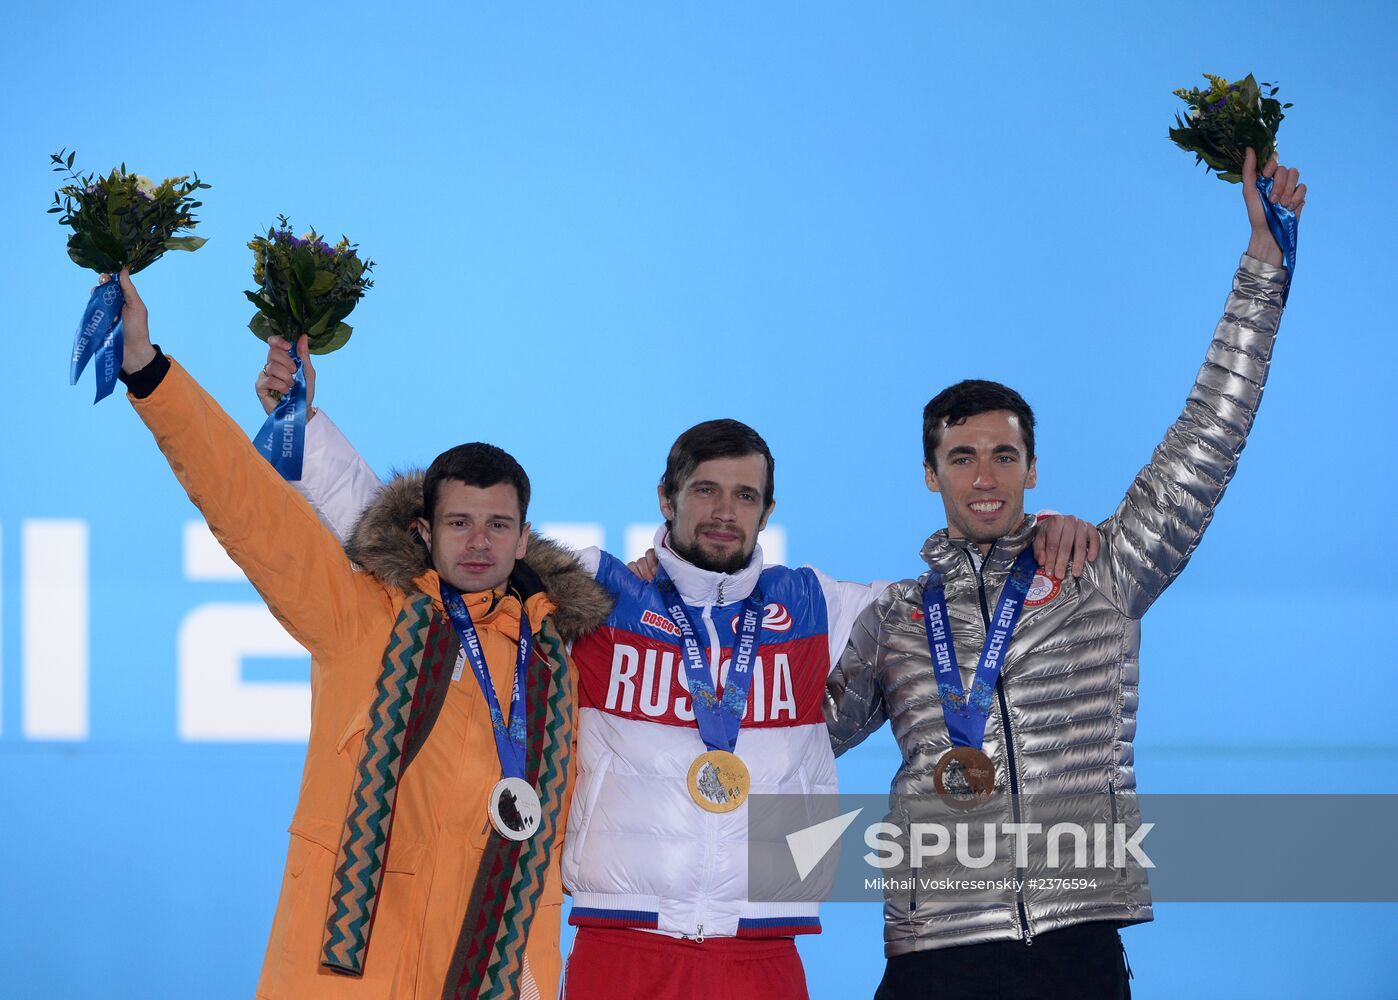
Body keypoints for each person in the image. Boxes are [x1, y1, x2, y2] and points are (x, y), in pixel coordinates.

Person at [255, 355, 1101, 998]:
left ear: (768, 511)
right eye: (704, 490)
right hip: (620, 948)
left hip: (765, 954)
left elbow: (976, 598)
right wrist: (305, 429)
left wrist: (1043, 533)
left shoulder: (824, 607)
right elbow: (424, 541)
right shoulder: (596, 591)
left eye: (744, 495)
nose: (723, 511)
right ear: (666, 497)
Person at [824, 148, 1305, 998]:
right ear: (929, 473)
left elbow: (1207, 440)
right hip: (934, 954)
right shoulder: (894, 618)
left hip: (1077, 947)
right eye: (962, 457)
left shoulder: (1101, 570)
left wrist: (1263, 267)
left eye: (1004, 456)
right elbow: (790, 732)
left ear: (1033, 468)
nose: (985, 477)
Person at [106, 274, 613, 1000]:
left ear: (524, 539)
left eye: (498, 525)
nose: (479, 543)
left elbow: (571, 833)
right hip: (345, 975)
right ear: (424, 532)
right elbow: (246, 505)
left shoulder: (553, 665)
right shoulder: (362, 617)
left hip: (487, 978)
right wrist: (148, 371)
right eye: (459, 523)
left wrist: (536, 977)